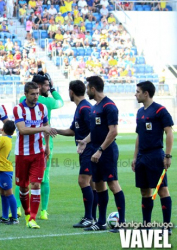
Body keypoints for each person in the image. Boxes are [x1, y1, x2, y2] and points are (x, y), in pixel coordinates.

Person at [76, 76, 126, 233]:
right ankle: (101, 222)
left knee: (113, 184)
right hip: (95, 151)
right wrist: (85, 141)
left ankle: (122, 223)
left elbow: (113, 131)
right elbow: (96, 132)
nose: (85, 90)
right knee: (98, 184)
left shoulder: (109, 106)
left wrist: (100, 150)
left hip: (107, 151)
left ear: (92, 89)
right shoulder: (94, 107)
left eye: (87, 87)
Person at [16, 72, 64, 220]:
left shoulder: (22, 99)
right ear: (39, 86)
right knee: (44, 177)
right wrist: (54, 89)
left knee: (23, 181)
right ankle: (43, 211)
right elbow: (61, 102)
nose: (48, 87)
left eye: (49, 85)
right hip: (43, 141)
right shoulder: (47, 103)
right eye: (47, 85)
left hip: (30, 144)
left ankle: (19, 208)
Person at [133, 81, 174, 235]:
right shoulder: (140, 112)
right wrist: (135, 157)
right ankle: (146, 225)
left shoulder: (160, 110)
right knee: (145, 192)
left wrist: (168, 155)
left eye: (137, 91)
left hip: (156, 155)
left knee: (162, 190)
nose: (135, 94)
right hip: (142, 157)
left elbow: (169, 132)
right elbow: (139, 136)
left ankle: (166, 226)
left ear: (146, 93)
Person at [55, 80, 97, 227]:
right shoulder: (80, 108)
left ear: (71, 91)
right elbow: (73, 131)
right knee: (91, 183)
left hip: (89, 150)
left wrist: (85, 142)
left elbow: (95, 130)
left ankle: (89, 217)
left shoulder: (85, 108)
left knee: (83, 181)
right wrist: (56, 130)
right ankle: (93, 217)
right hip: (85, 150)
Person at [13, 81, 54, 229]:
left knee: (36, 184)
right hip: (22, 154)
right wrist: (42, 128)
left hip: (38, 153)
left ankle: (32, 219)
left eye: (37, 93)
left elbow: (47, 128)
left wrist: (47, 147)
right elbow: (23, 130)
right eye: (33, 94)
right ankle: (27, 213)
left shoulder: (42, 108)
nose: (36, 96)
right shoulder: (18, 109)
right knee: (23, 188)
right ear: (25, 94)